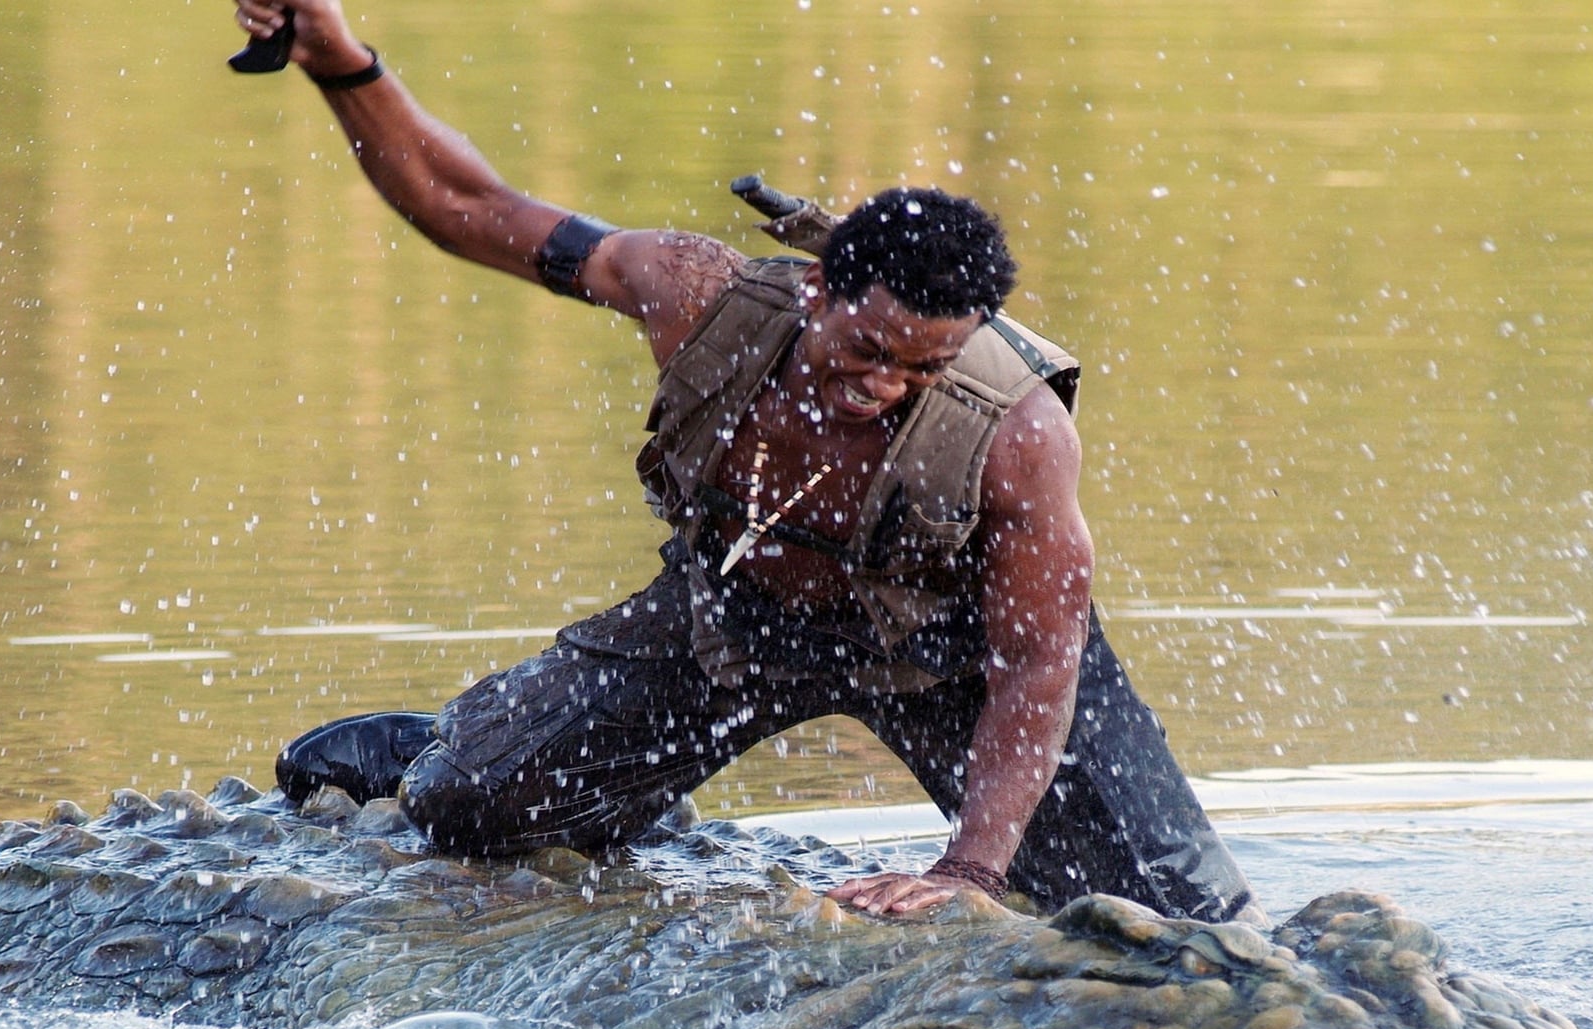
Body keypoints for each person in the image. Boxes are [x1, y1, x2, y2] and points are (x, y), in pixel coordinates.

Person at [232, 0, 1263, 923]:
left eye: (924, 366)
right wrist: (339, 60)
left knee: (1179, 923)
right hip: (732, 617)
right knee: (463, 807)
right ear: (818, 291)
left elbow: (1038, 665)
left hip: (944, 656)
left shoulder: (1023, 436)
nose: (886, 386)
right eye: (868, 351)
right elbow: (470, 207)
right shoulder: (695, 294)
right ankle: (500, 738)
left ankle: (607, 762)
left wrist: (971, 871)